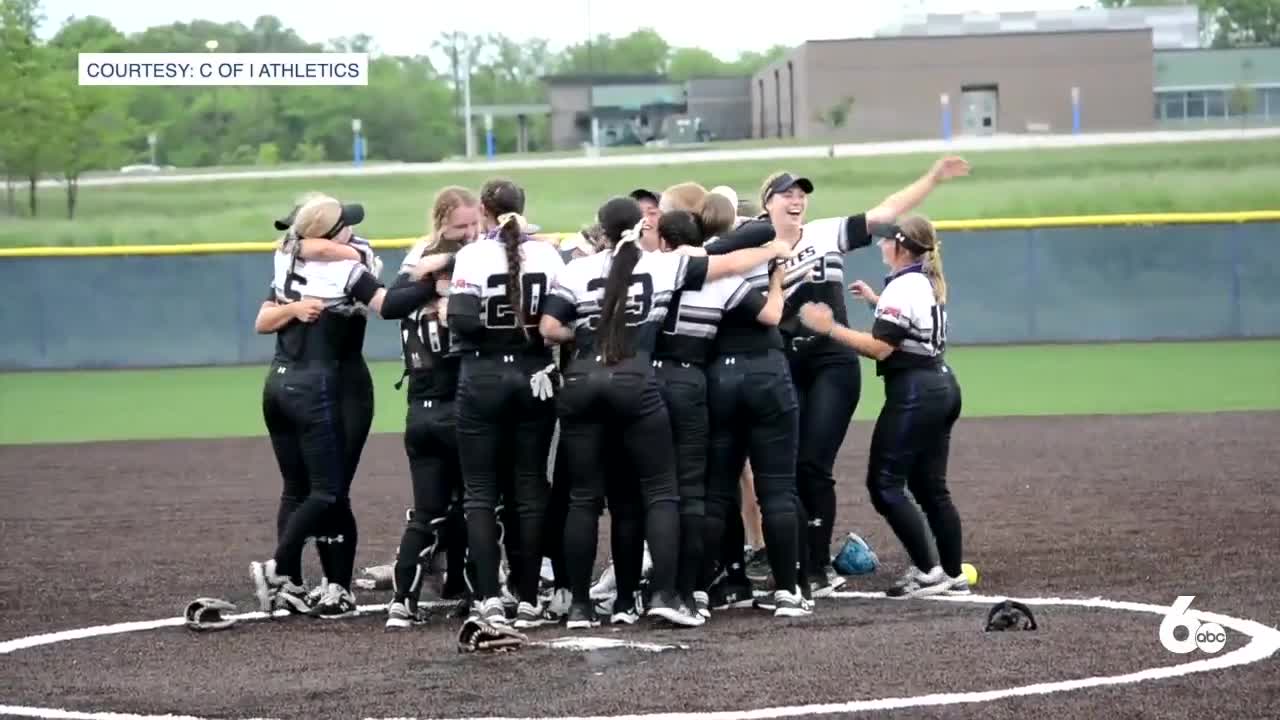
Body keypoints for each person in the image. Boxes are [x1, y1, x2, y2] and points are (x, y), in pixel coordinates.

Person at [708, 155, 970, 596]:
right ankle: (794, 561)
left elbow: (886, 213)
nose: (797, 201)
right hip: (785, 363)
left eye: (801, 195)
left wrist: (931, 178)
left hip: (832, 363)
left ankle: (817, 569)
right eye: (787, 194)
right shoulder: (754, 249)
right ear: (768, 203)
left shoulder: (823, 233)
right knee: (786, 470)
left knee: (813, 464)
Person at [539, 196, 793, 629]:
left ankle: (580, 605)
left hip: (581, 381)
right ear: (642, 229)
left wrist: (584, 337)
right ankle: (664, 593)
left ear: (600, 231)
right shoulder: (660, 266)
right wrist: (773, 252)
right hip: (636, 381)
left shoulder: (576, 270)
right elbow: (726, 267)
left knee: (584, 499)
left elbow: (547, 328)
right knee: (660, 493)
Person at [796, 215, 967, 598]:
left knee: (884, 484)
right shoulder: (923, 280)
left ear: (900, 246)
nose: (880, 245)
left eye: (886, 240)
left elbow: (880, 348)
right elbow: (910, 326)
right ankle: (953, 572)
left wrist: (830, 328)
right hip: (942, 384)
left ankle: (928, 570)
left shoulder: (904, 287)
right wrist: (876, 301)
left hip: (915, 392)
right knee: (930, 488)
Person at [250, 194, 392, 618]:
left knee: (310, 490)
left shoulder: (295, 258)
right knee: (327, 491)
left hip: (302, 379)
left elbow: (315, 249)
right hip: (333, 384)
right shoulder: (333, 264)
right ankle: (300, 577)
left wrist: (291, 304)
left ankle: (303, 583)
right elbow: (389, 304)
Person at [651, 205, 784, 620]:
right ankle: (689, 592)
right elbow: (771, 315)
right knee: (695, 493)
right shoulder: (721, 276)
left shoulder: (646, 265)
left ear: (662, 239)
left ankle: (635, 593)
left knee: (643, 495)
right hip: (690, 381)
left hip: (642, 382)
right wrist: (777, 276)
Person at [446, 178, 564, 628]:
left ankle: (490, 597)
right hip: (536, 374)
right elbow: (558, 318)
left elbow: (460, 317)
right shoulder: (548, 254)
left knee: (480, 491)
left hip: (484, 374)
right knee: (530, 487)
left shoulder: (474, 254)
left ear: (484, 210)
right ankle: (530, 595)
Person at [374, 186, 481, 628]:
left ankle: (407, 600)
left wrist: (434, 273)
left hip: (421, 409)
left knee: (432, 509)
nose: (472, 233)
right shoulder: (471, 269)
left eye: (476, 224)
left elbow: (392, 303)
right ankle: (483, 596)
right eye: (462, 227)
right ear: (441, 225)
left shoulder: (413, 277)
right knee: (478, 503)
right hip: (456, 405)